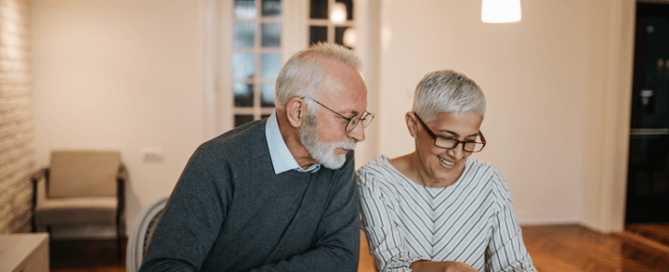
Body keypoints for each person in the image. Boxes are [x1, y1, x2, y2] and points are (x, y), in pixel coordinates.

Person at [139, 42, 374, 272]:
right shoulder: (217, 163)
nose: (359, 134)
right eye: (347, 118)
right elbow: (164, 266)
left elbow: (342, 258)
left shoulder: (336, 157)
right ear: (298, 112)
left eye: (361, 118)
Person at [357, 70, 536, 272]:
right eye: (447, 137)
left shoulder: (489, 181)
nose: (458, 154)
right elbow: (392, 265)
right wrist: (448, 268)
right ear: (413, 125)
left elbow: (515, 264)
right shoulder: (375, 180)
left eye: (469, 140)